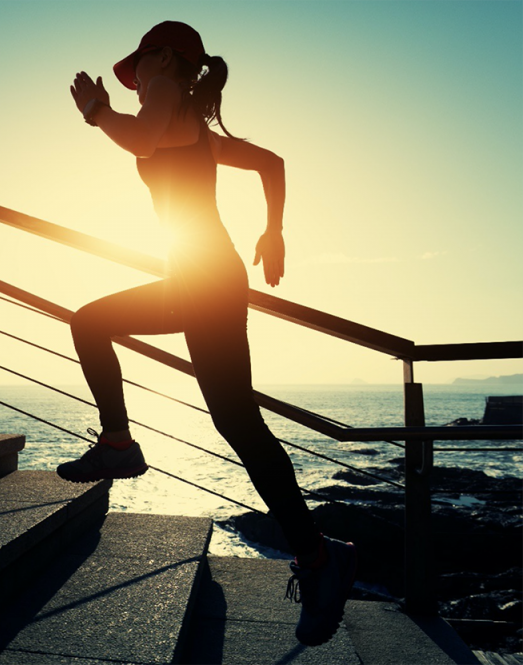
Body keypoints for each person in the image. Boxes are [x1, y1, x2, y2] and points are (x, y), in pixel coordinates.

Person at [60, 20, 357, 646]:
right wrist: (273, 230)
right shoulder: (191, 125)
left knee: (95, 325)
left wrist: (97, 112)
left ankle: (120, 444)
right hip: (202, 279)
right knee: (236, 421)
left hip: (204, 281)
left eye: (139, 69)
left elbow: (137, 137)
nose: (135, 82)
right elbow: (271, 162)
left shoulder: (164, 96)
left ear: (164, 60)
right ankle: (318, 556)